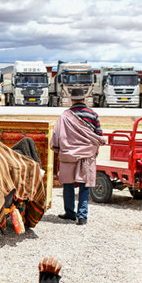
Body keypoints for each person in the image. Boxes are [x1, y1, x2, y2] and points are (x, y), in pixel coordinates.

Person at [50, 87, 106, 225]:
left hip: (68, 155)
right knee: (84, 185)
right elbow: (99, 136)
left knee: (68, 185)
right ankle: (82, 216)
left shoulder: (65, 116)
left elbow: (56, 135)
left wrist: (56, 148)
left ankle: (70, 213)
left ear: (72, 100)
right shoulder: (93, 114)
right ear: (84, 99)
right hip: (87, 156)